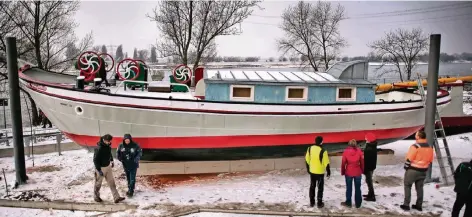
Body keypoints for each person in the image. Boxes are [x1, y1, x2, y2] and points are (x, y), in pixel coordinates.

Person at [400, 130, 434, 211]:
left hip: (413, 170)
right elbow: (431, 159)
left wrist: (406, 167)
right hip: (423, 171)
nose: (415, 135)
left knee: (407, 186)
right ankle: (419, 205)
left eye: (416, 134)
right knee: (420, 188)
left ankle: (406, 204)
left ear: (418, 137)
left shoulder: (415, 146)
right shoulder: (429, 147)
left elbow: (409, 158)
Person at [93, 134, 125, 203]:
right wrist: (98, 169)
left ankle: (116, 197)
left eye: (109, 141)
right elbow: (95, 160)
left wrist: (112, 160)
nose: (108, 142)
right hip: (101, 168)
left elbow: (109, 153)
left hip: (108, 167)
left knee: (112, 182)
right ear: (104, 140)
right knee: (98, 183)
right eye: (107, 141)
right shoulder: (99, 148)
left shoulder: (108, 146)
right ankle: (96, 196)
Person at [305, 136, 331, 208]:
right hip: (320, 173)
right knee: (320, 188)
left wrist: (308, 169)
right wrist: (328, 172)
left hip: (312, 172)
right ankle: (319, 203)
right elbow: (326, 163)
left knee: (312, 187)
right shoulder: (323, 151)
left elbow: (307, 160)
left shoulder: (309, 149)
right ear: (322, 142)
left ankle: (312, 202)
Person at [341, 139, 364, 208]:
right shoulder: (359, 151)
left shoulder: (345, 152)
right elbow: (362, 162)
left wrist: (343, 171)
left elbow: (343, 163)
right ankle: (358, 203)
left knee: (349, 188)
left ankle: (348, 202)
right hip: (357, 172)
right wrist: (362, 170)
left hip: (348, 172)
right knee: (358, 188)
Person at [363, 133, 378, 202]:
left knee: (369, 182)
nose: (365, 139)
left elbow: (366, 160)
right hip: (371, 167)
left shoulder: (369, 148)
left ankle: (372, 196)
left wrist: (364, 169)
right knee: (368, 181)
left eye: (366, 138)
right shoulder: (373, 146)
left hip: (368, 168)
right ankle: (370, 194)